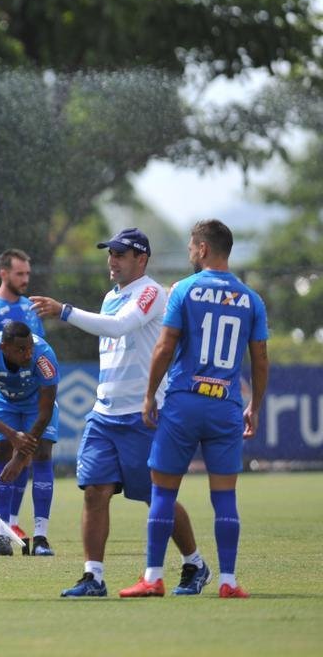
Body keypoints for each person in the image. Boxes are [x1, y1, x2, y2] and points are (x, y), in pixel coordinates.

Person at [31, 227, 210, 597]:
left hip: (143, 415)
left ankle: (194, 562)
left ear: (140, 260)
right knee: (94, 491)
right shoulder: (110, 297)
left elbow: (120, 326)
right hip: (104, 413)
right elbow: (110, 329)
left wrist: (63, 310)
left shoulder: (150, 292)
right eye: (109, 253)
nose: (112, 260)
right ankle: (93, 577)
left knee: (155, 497)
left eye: (120, 254)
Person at [119, 220, 268, 599]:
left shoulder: (184, 290)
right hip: (226, 407)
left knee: (163, 492)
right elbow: (261, 359)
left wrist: (150, 394)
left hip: (185, 403)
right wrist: (255, 405)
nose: (189, 251)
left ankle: (153, 577)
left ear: (203, 249)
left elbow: (165, 347)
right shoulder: (251, 299)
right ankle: (229, 581)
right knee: (225, 497)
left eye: (191, 245)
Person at [0, 321, 59, 558]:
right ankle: (2, 536)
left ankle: (41, 538)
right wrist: (12, 437)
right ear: (4, 347)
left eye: (30, 347)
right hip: (3, 402)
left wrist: (21, 456)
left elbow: (45, 412)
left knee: (42, 452)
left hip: (36, 406)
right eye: (21, 349)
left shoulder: (44, 358)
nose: (28, 353)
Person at [0, 249, 46, 336]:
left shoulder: (31, 307)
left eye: (27, 273)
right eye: (20, 274)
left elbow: (39, 345)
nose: (26, 280)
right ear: (3, 274)